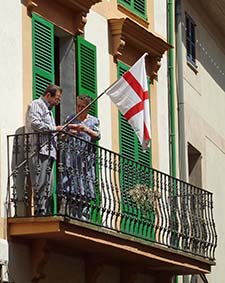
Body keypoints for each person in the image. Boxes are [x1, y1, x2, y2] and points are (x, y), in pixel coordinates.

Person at [25, 84, 63, 216]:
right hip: (39, 150)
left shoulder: (49, 111)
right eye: (57, 98)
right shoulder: (36, 104)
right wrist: (54, 129)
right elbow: (35, 123)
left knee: (48, 184)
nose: (58, 102)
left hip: (49, 151)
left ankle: (44, 209)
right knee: (40, 182)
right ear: (48, 95)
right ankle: (39, 210)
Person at [62, 94, 100, 220]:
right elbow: (63, 135)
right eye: (78, 106)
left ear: (88, 108)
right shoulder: (70, 118)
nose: (79, 109)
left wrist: (85, 129)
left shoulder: (93, 121)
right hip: (71, 157)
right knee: (71, 184)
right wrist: (68, 132)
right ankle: (72, 214)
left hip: (85, 159)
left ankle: (84, 217)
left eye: (83, 106)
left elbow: (97, 136)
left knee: (85, 184)